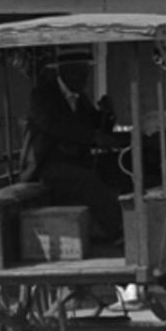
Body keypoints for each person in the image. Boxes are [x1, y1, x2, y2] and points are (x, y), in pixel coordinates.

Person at [24, 68, 126, 251]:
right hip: (45, 166)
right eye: (82, 75)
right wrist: (93, 136)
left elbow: (95, 125)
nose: (86, 80)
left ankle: (122, 223)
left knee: (117, 168)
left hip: (75, 162)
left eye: (87, 75)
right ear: (67, 73)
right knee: (86, 180)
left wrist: (106, 114)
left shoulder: (80, 98)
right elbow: (57, 124)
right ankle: (119, 231)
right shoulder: (42, 96)